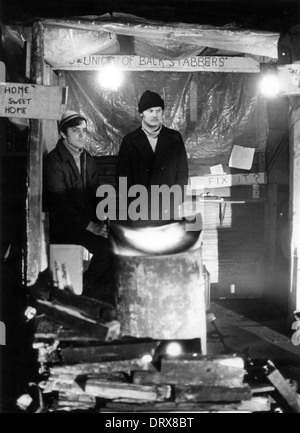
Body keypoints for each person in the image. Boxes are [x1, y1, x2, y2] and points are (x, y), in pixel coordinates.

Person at [44, 110, 113, 301]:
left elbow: (95, 191)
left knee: (115, 244)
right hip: (65, 226)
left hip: (86, 223)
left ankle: (89, 291)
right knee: (106, 249)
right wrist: (92, 227)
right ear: (63, 134)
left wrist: (104, 217)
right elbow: (60, 204)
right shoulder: (53, 161)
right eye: (76, 131)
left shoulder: (87, 159)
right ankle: (83, 292)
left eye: (84, 131)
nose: (82, 135)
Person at [116, 90, 189, 223]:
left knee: (168, 243)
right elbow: (122, 176)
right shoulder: (130, 141)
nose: (155, 115)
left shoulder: (174, 138)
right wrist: (131, 203)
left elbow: (182, 172)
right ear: (141, 113)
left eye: (158, 110)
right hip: (139, 209)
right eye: (150, 111)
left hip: (168, 207)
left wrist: (176, 199)